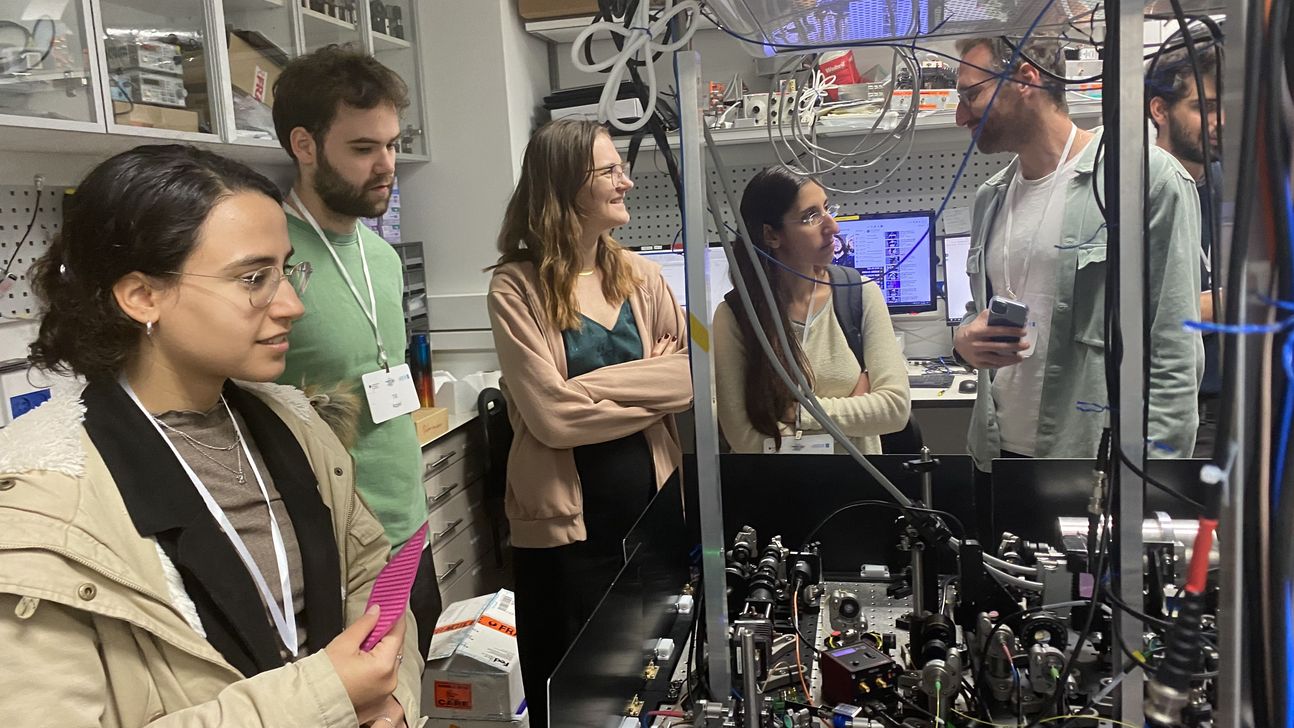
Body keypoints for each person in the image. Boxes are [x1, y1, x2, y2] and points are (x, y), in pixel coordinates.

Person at [0, 145, 420, 726]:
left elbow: (373, 589)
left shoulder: (293, 424)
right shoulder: (45, 507)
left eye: (285, 270)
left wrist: (394, 696)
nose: (292, 305)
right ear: (143, 296)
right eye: (253, 278)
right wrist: (326, 698)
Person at [951, 36, 1204, 540]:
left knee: (1093, 615)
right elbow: (981, 319)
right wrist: (963, 343)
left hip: (1091, 467)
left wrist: (1151, 492)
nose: (961, 116)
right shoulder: (990, 199)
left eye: (970, 95)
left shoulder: (1142, 178)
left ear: (1026, 79)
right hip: (998, 457)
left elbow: (1175, 350)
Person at [487, 118, 692, 727]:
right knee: (570, 700)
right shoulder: (515, 288)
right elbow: (551, 419)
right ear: (564, 185)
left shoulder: (640, 275)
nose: (626, 181)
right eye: (609, 171)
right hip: (565, 538)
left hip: (648, 515)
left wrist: (585, 389)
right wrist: (638, 390)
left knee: (645, 684)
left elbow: (687, 376)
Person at [271, 45, 440, 655]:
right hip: (333, 548)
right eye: (364, 149)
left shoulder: (382, 257)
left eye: (392, 145)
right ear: (305, 145)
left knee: (413, 694)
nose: (387, 165)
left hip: (408, 531)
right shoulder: (268, 256)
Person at [713, 166, 911, 454]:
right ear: (771, 235)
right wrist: (855, 409)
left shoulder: (859, 293)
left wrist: (799, 414)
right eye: (811, 216)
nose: (833, 226)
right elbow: (743, 439)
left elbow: (894, 409)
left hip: (860, 486)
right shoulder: (736, 317)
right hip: (782, 494)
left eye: (827, 208)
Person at [1146, 37, 1224, 457]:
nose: (1220, 119)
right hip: (1175, 409)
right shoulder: (1131, 195)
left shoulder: (1239, 190)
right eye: (1204, 107)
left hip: (1248, 400)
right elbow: (1132, 317)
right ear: (1159, 110)